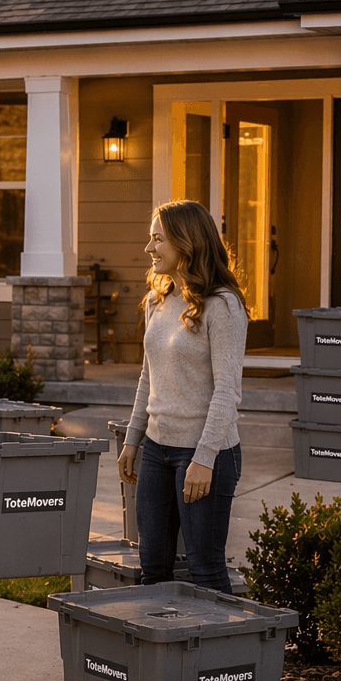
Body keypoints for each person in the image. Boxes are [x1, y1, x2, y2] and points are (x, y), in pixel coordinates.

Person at [117, 200, 248, 594]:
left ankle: (219, 653)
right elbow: (148, 375)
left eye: (157, 239)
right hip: (158, 450)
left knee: (205, 568)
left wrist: (204, 459)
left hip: (205, 453)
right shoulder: (158, 299)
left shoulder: (223, 305)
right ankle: (165, 655)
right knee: (153, 567)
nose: (149, 248)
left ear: (185, 242)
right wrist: (132, 439)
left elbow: (227, 391)